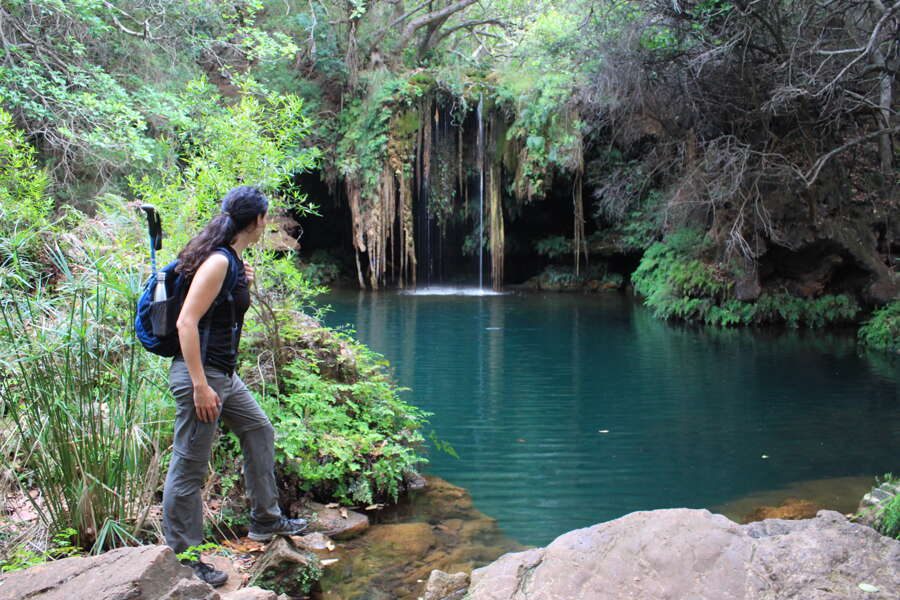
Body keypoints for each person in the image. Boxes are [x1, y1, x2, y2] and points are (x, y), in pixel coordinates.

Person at [162, 186, 306, 588]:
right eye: (267, 217)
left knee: (259, 429)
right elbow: (186, 323)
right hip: (203, 376)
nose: (268, 223)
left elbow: (219, 309)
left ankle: (265, 520)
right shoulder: (218, 262)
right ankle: (186, 560)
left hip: (224, 375)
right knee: (188, 468)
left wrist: (241, 281)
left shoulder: (229, 259)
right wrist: (199, 385)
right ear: (257, 221)